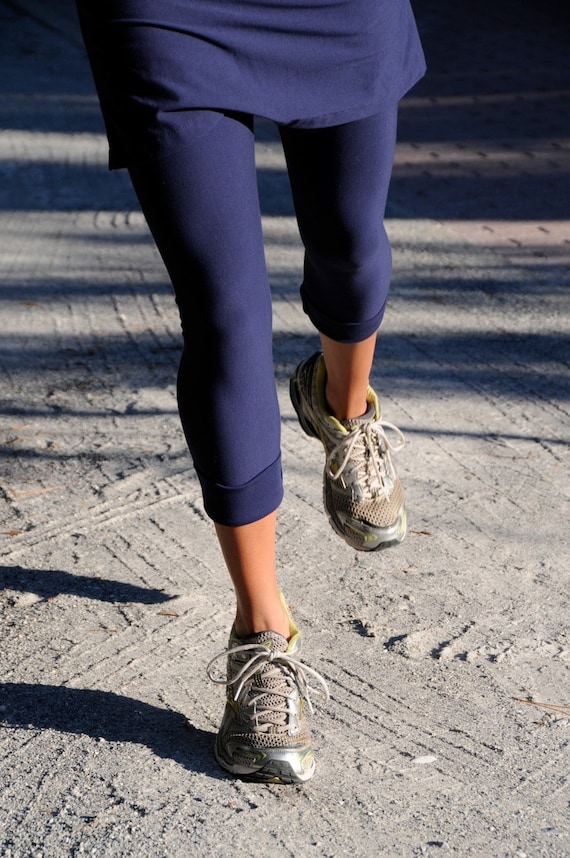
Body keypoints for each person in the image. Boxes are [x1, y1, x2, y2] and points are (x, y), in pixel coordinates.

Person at [75, 0, 425, 784]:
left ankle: (341, 409)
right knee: (227, 316)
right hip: (169, 16)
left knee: (351, 247)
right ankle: (262, 634)